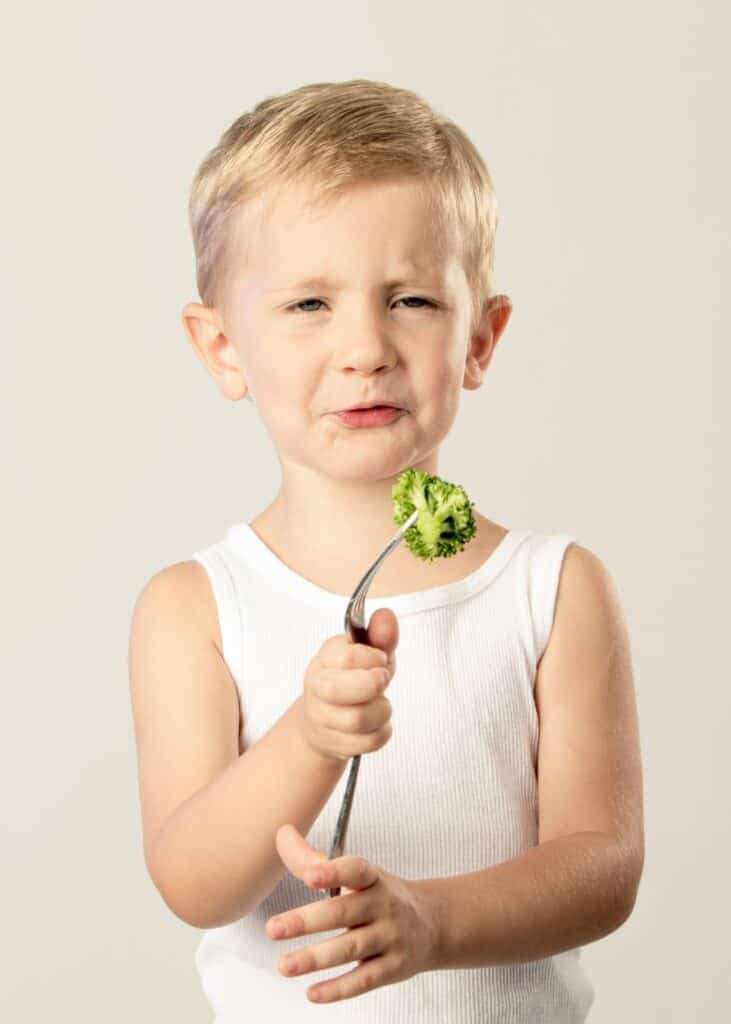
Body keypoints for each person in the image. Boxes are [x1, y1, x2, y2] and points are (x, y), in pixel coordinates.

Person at [128, 79, 644, 1022]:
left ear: (480, 339)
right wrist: (309, 739)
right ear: (221, 349)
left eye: (409, 298)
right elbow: (194, 885)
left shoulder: (554, 589)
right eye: (308, 305)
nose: (364, 347)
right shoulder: (193, 607)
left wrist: (433, 922)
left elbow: (601, 868)